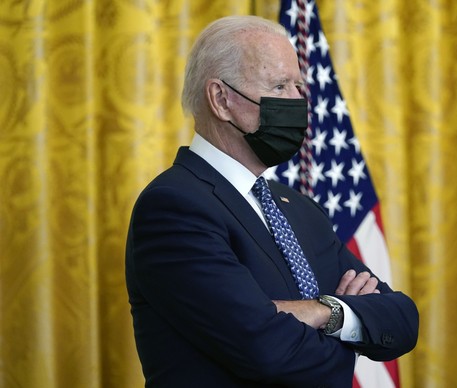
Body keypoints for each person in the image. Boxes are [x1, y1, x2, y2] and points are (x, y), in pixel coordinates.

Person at [125, 15, 418, 387]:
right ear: (221, 99)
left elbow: (402, 318)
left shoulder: (297, 208)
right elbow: (268, 352)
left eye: (299, 86)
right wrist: (352, 333)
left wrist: (323, 313)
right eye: (280, 86)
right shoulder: (174, 207)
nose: (299, 101)